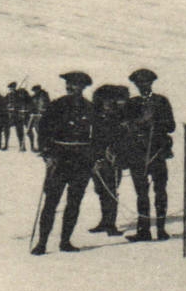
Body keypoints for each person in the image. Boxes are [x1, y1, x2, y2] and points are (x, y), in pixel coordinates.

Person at [31, 71, 95, 255]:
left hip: (81, 161)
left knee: (74, 203)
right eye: (69, 84)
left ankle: (65, 241)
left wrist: (94, 158)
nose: (71, 87)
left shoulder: (90, 108)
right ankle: (42, 243)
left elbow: (97, 135)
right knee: (51, 202)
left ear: (83, 87)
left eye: (75, 85)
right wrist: (47, 154)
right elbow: (43, 130)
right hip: (59, 160)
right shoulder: (57, 105)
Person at [124, 68, 175, 241]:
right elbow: (125, 126)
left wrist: (157, 122)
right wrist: (142, 121)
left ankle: (161, 229)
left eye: (146, 82)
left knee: (160, 190)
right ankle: (143, 231)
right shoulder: (131, 103)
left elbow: (171, 126)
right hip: (137, 153)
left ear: (151, 83)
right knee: (141, 192)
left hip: (157, 152)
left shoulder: (161, 101)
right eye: (139, 83)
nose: (143, 85)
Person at [88, 84, 131, 237]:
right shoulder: (95, 117)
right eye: (104, 100)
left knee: (111, 191)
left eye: (109, 100)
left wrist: (116, 153)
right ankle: (104, 221)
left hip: (113, 159)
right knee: (100, 190)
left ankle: (111, 224)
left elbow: (124, 139)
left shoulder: (120, 118)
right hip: (97, 158)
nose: (107, 103)